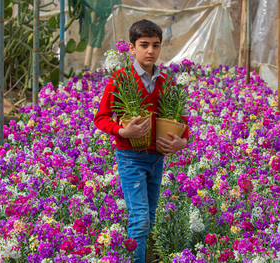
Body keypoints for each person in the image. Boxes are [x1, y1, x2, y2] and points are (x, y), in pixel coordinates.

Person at [93, 19, 189, 262]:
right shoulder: (120, 78)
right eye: (144, 45)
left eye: (155, 45)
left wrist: (183, 142)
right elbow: (101, 118)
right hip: (130, 157)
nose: (150, 51)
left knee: (152, 217)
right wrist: (121, 132)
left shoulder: (166, 81)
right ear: (131, 48)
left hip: (156, 157)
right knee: (140, 218)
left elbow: (182, 119)